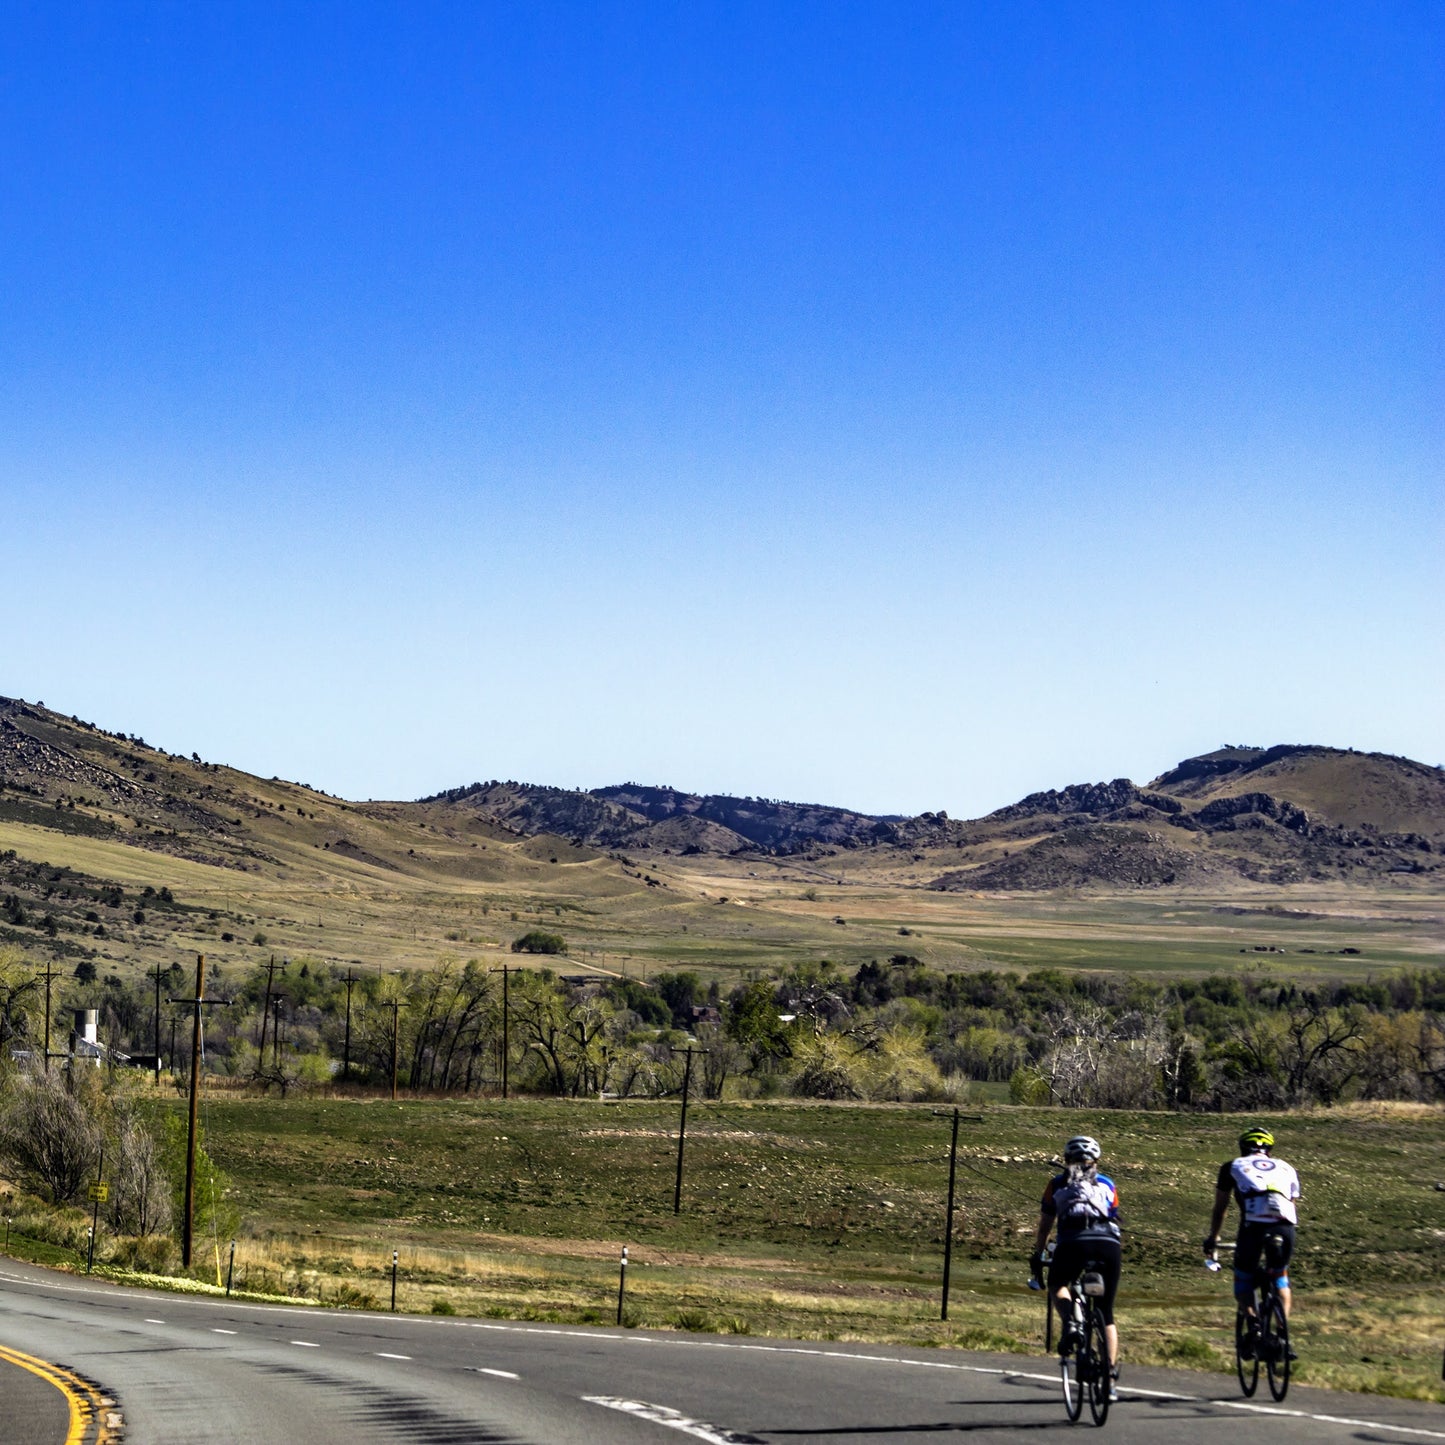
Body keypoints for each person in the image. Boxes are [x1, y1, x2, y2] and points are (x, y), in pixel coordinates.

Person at [1031, 1135, 1121, 1397]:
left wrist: (1038, 1254)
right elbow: (1113, 1214)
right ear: (1096, 1162)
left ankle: (1071, 1323)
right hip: (1108, 1245)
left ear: (1066, 1160)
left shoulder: (1056, 1184)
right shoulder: (1107, 1183)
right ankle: (1110, 1378)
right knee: (1106, 1311)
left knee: (1058, 1284)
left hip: (1073, 1243)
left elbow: (1045, 1224)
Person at [1204, 1126, 1301, 1354]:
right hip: (1285, 1226)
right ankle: (1282, 1333)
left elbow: (1221, 1208)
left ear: (1242, 1148)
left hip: (1253, 1227)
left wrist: (1213, 1237)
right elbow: (1292, 1204)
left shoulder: (1232, 1166)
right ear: (1269, 1149)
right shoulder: (1287, 1167)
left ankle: (1254, 1324)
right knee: (1280, 1277)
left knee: (1244, 1278)